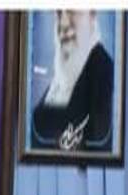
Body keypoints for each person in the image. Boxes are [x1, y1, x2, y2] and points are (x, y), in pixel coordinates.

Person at [31, 10, 114, 152]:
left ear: (92, 15)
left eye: (72, 11)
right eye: (59, 13)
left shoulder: (103, 73)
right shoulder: (61, 81)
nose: (63, 24)